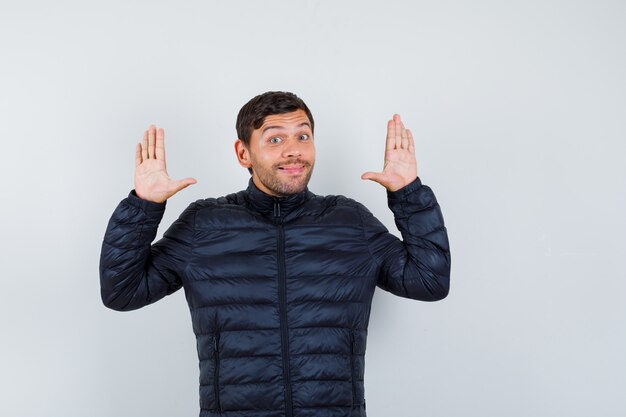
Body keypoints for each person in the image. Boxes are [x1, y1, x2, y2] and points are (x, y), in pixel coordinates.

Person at [99, 91, 451, 417]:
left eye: (303, 136)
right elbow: (123, 291)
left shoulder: (349, 221)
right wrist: (144, 206)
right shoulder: (204, 225)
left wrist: (408, 193)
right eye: (275, 139)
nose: (293, 150)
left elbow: (429, 281)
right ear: (243, 153)